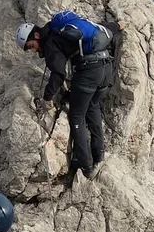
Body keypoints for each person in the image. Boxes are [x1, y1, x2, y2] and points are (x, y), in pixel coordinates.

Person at [17, 12, 115, 184]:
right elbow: (98, 29)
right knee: (92, 107)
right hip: (106, 67)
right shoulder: (62, 30)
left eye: (31, 46)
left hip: (89, 72)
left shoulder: (50, 43)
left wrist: (47, 97)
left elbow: (58, 73)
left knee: (77, 116)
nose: (33, 50)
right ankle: (99, 153)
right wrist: (117, 26)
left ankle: (86, 165)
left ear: (36, 35)